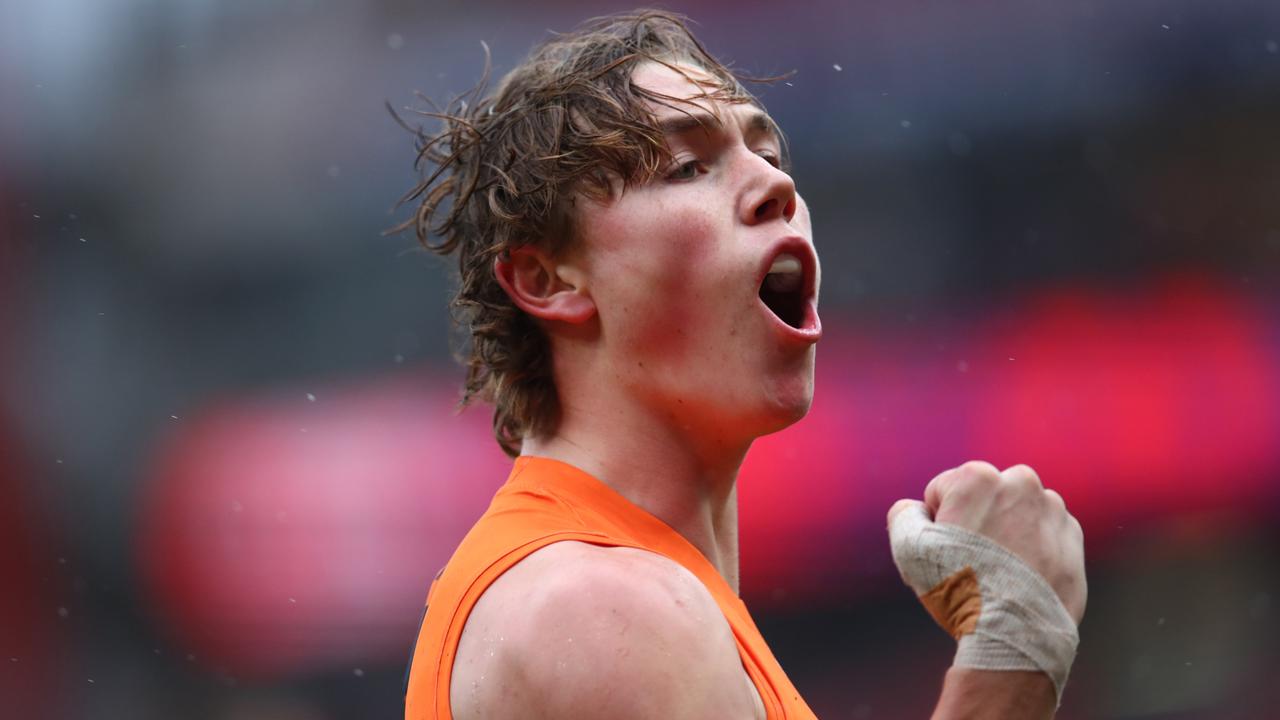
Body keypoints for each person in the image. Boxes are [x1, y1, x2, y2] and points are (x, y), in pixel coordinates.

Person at [394, 10, 1086, 719]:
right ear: (549, 282)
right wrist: (1014, 650)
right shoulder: (599, 605)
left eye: (771, 157)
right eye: (689, 167)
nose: (775, 189)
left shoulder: (637, 597)